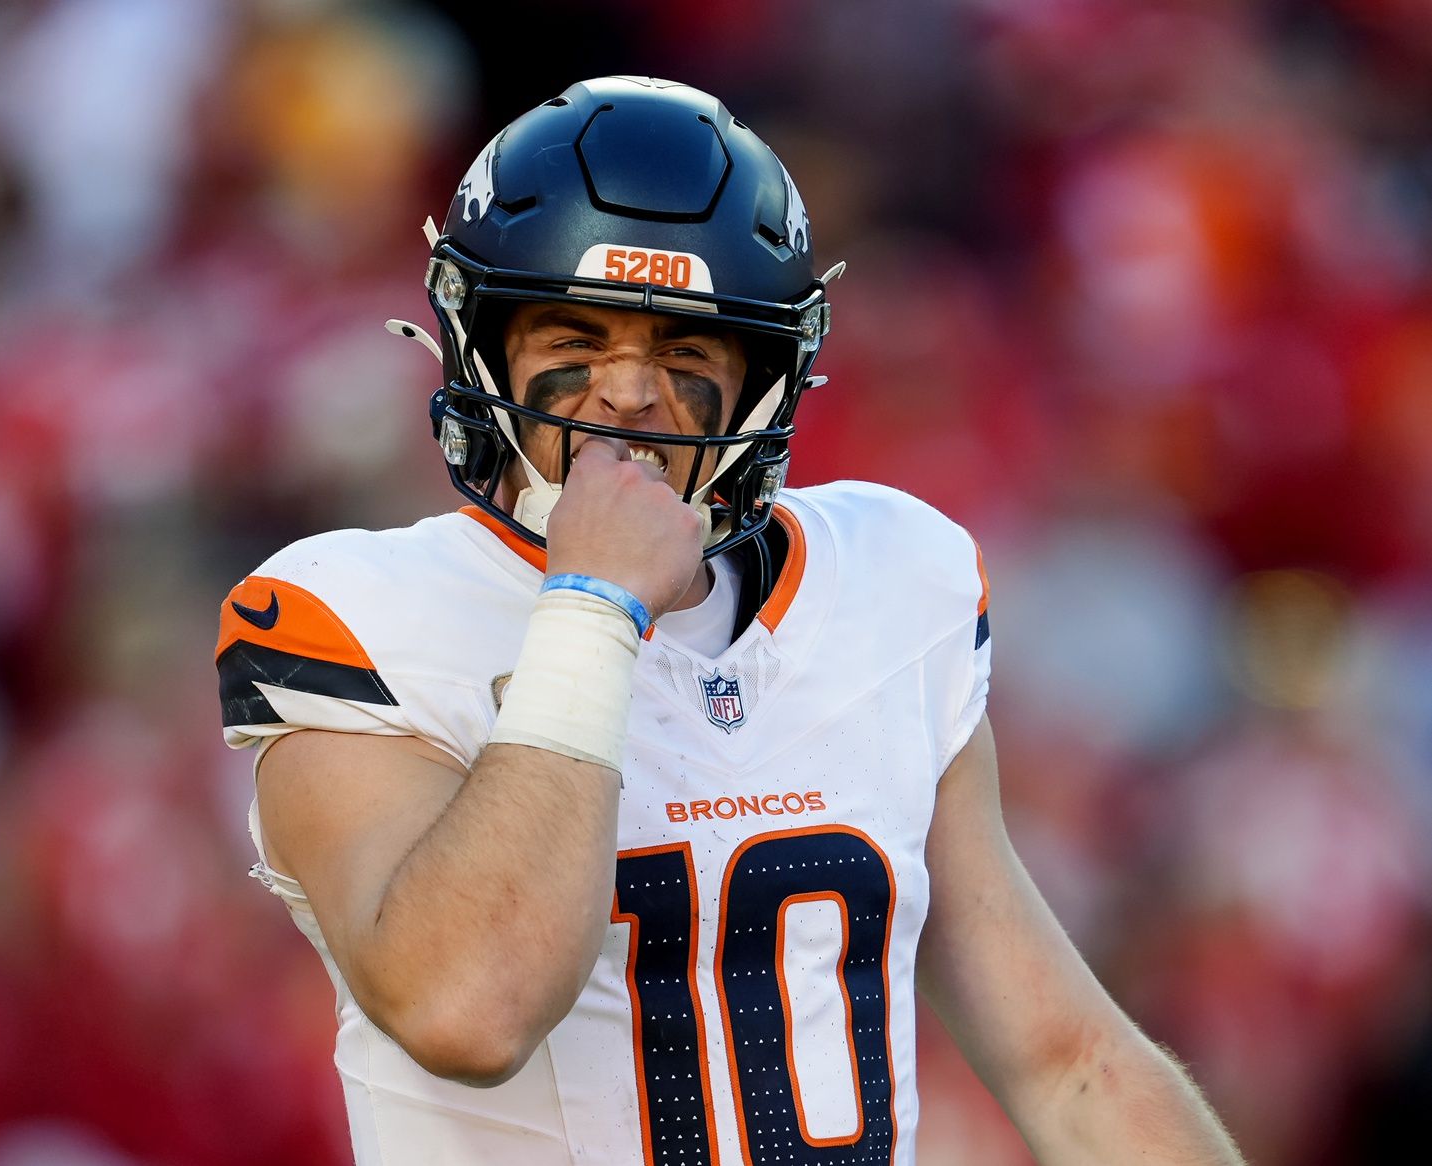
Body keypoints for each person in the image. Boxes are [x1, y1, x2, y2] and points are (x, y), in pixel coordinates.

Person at [215, 75, 1246, 1165]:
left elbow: (1068, 1060)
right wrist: (593, 609)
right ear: (484, 346)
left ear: (764, 375)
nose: (626, 394)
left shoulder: (890, 581)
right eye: (574, 337)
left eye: (683, 351)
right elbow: (467, 1008)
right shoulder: (352, 614)